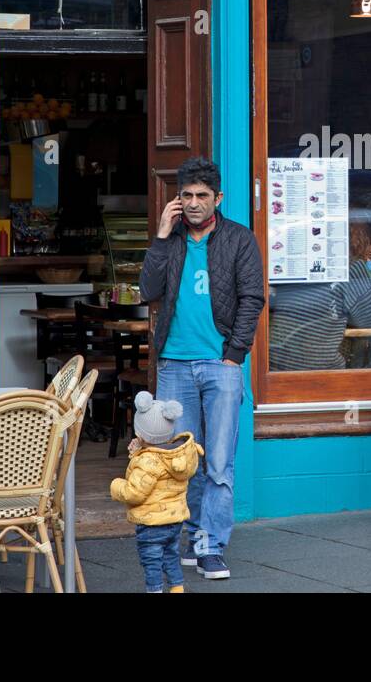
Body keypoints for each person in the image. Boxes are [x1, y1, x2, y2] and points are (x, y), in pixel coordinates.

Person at [139, 156, 264, 580]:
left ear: (218, 198)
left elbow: (252, 298)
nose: (193, 203)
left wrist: (235, 354)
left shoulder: (239, 239)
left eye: (201, 196)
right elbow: (148, 291)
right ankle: (190, 534)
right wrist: (159, 235)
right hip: (174, 365)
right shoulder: (171, 241)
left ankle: (211, 544)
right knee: (180, 460)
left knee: (219, 462)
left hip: (220, 365)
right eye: (186, 196)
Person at [109, 393, 203, 594]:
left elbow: (135, 492)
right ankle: (177, 588)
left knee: (151, 561)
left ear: (141, 435)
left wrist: (117, 486)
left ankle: (154, 590)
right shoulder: (177, 455)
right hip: (174, 520)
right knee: (171, 556)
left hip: (151, 523)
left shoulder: (147, 462)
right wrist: (138, 451)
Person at [268, 221, 371, 371]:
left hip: (274, 358)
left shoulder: (300, 263)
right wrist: (370, 270)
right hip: (316, 367)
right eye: (369, 242)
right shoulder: (351, 268)